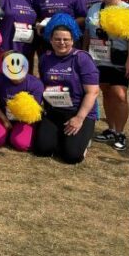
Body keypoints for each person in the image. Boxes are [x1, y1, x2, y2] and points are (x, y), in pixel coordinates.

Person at [34, 14, 99, 164]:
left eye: (66, 39)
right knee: (42, 150)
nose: (61, 43)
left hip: (78, 112)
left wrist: (79, 118)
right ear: (50, 39)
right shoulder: (45, 58)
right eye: (57, 39)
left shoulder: (82, 58)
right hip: (54, 111)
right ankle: (62, 138)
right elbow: (42, 84)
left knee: (71, 156)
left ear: (73, 40)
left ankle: (83, 140)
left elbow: (92, 92)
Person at [83, 0, 129, 151]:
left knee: (119, 94)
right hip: (97, 57)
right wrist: (84, 52)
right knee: (106, 92)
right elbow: (88, 32)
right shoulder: (94, 8)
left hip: (119, 58)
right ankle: (110, 129)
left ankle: (120, 132)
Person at [0, 53, 44, 152]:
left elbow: (35, 110)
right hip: (3, 115)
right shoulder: (0, 80)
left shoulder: (36, 84)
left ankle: (13, 134)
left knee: (21, 145)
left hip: (24, 120)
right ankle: (4, 132)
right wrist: (4, 120)